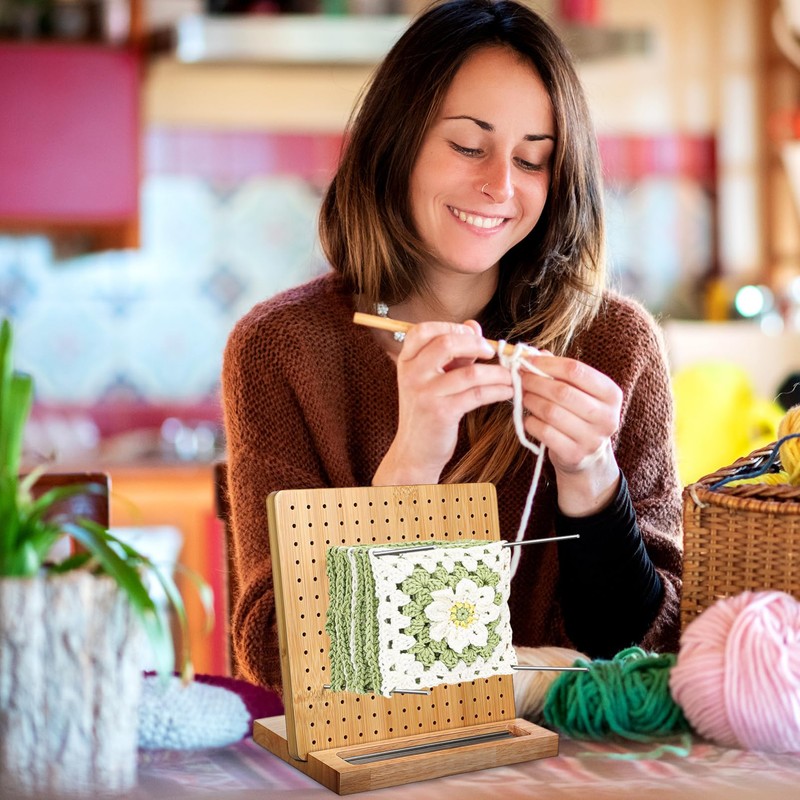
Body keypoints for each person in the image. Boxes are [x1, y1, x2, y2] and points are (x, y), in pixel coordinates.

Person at [222, 0, 683, 695]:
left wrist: (593, 484)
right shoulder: (280, 349)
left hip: (574, 751)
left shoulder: (615, 344)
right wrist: (410, 463)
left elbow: (658, 653)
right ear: (396, 142)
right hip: (376, 751)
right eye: (469, 146)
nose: (501, 185)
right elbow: (276, 656)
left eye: (532, 159)